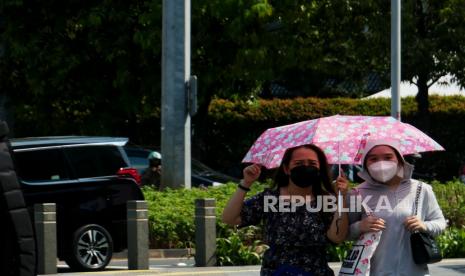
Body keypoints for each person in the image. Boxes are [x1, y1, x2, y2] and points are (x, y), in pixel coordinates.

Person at [222, 144, 349, 276]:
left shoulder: (327, 200)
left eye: (312, 163)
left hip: (316, 271)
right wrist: (246, 183)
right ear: (286, 169)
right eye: (298, 163)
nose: (305, 167)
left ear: (319, 169)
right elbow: (229, 218)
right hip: (277, 271)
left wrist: (341, 198)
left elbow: (337, 237)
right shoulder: (270, 198)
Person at [347, 139, 446, 276]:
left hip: (414, 272)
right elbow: (345, 233)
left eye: (388, 157)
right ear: (365, 164)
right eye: (373, 159)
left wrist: (424, 226)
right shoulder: (356, 193)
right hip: (373, 272)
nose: (381, 164)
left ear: (399, 160)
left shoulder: (421, 189)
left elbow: (440, 223)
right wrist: (360, 226)